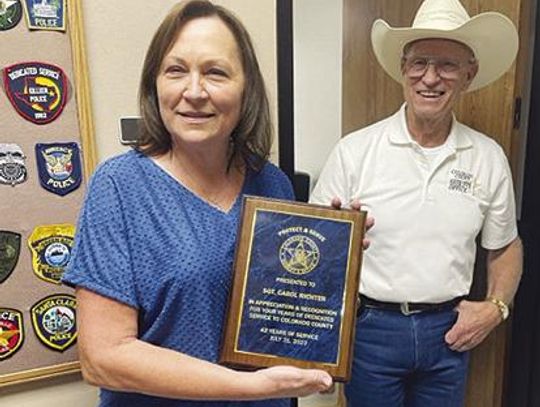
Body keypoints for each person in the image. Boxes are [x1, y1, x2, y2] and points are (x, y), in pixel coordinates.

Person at [62, 1, 333, 406]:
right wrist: (250, 388)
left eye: (215, 72)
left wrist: (332, 261)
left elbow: (280, 312)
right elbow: (104, 358)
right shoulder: (119, 186)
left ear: (247, 89)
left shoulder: (272, 183)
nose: (193, 91)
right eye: (175, 70)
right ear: (155, 83)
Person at [310, 0, 523, 406]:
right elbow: (316, 245)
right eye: (419, 62)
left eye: (447, 65)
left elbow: (507, 245)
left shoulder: (489, 156)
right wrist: (335, 241)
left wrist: (495, 308)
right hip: (370, 328)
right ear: (402, 68)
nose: (430, 77)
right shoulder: (355, 151)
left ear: (468, 75)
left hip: (449, 333)